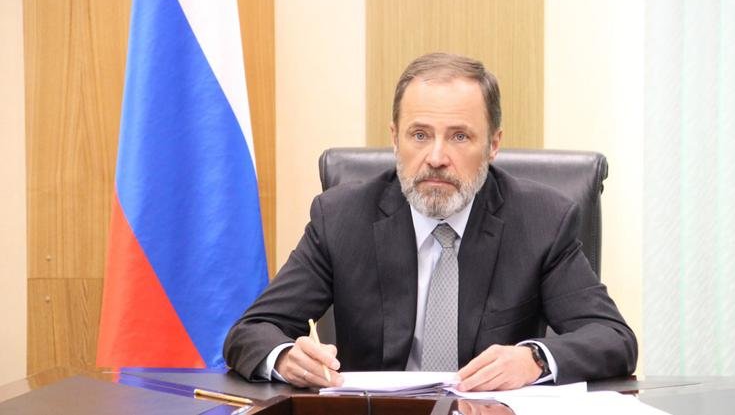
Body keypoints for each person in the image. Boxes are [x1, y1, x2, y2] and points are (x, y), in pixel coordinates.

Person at [223, 53, 637, 391]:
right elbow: (252, 330)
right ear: (394, 138)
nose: (436, 157)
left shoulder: (541, 221)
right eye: (419, 135)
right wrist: (286, 358)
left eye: (459, 136)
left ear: (493, 144)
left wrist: (533, 359)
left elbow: (612, 338)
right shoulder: (342, 218)